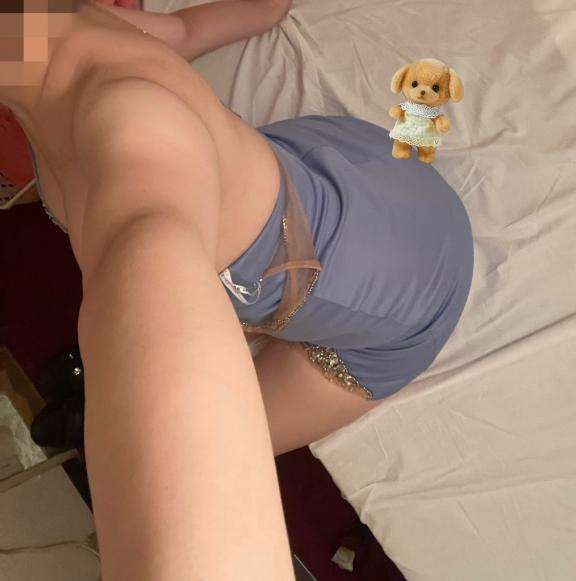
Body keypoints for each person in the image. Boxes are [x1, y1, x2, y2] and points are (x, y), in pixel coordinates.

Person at [0, 0, 474, 579]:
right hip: (347, 162)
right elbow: (194, 27)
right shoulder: (56, 27)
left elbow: (199, 541)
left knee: (190, 448)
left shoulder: (138, 168)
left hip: (409, 280)